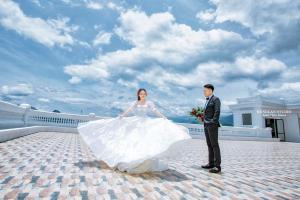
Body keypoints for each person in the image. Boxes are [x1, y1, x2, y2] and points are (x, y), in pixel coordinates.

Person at [77, 88, 191, 174]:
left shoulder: (149, 103)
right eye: (140, 94)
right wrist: (121, 116)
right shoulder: (135, 102)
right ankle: (131, 160)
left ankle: (143, 161)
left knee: (143, 142)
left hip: (145, 123)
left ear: (146, 95)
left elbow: (155, 110)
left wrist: (164, 117)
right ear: (138, 95)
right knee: (132, 142)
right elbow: (129, 110)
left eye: (144, 94)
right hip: (135, 123)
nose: (142, 95)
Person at [199, 84, 222, 173]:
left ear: (210, 90)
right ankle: (211, 163)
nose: (203, 92)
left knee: (215, 145)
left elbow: (217, 111)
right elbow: (207, 113)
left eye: (205, 90)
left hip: (212, 125)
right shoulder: (207, 101)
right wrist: (202, 118)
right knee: (209, 145)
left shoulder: (216, 99)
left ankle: (217, 166)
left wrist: (213, 122)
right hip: (206, 124)